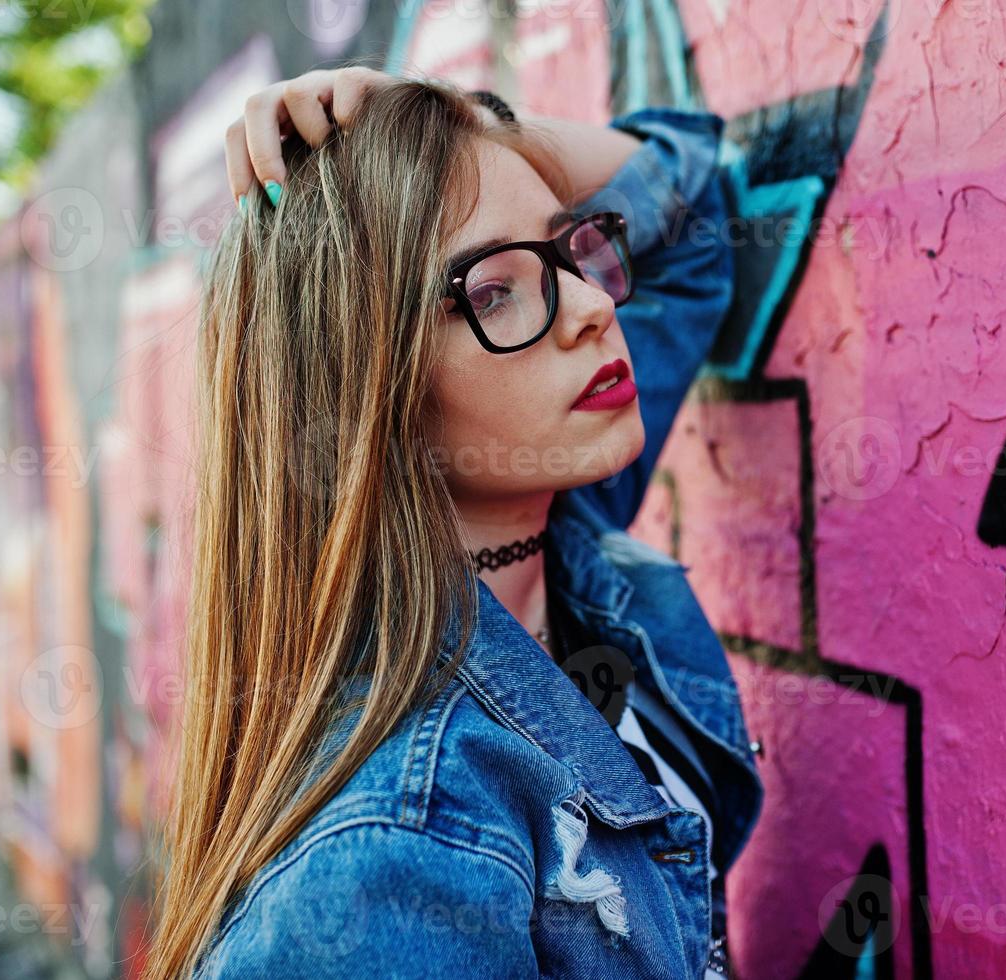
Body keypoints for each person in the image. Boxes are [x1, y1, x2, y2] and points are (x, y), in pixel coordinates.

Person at [142, 66, 763, 979]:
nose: (592, 307)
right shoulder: (392, 861)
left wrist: (451, 123)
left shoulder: (559, 536)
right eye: (493, 291)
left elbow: (693, 193)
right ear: (365, 387)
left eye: (569, 252)